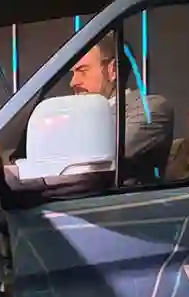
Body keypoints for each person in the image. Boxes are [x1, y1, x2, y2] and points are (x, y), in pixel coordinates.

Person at [68, 33, 174, 184]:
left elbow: (104, 154)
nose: (73, 82)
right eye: (73, 73)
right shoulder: (73, 115)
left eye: (83, 71)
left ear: (113, 70)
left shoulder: (151, 108)